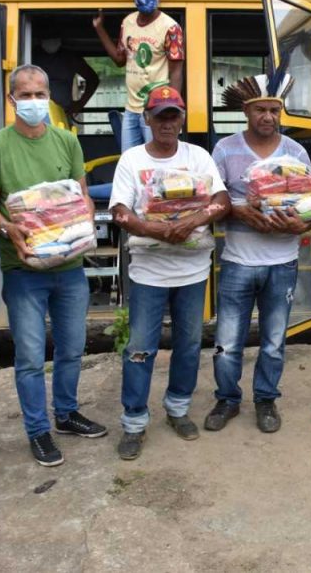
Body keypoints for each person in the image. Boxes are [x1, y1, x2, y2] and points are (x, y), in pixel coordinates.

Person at [0, 64, 106, 468]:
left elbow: (81, 195)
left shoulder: (67, 142)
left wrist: (84, 224)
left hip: (68, 267)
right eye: (25, 95)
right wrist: (9, 228)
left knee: (70, 348)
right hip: (23, 269)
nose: (33, 102)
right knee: (31, 357)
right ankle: (38, 431)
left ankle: (65, 414)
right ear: (12, 99)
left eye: (40, 94)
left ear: (49, 96)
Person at [108, 85, 229, 460]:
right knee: (140, 348)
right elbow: (120, 211)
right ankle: (134, 422)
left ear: (181, 119)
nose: (167, 123)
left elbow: (221, 200)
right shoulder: (131, 160)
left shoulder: (198, 157)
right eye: (159, 115)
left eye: (173, 115)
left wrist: (193, 219)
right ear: (146, 118)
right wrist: (155, 230)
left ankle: (178, 409)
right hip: (148, 273)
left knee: (189, 346)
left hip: (192, 270)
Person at [204, 73, 311, 434]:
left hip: (282, 261)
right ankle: (227, 399)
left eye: (273, 110)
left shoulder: (296, 152)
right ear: (246, 112)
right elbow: (211, 201)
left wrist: (302, 226)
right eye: (260, 110)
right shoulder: (224, 150)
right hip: (238, 259)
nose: (267, 117)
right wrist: (239, 210)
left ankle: (266, 399)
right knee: (227, 340)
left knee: (273, 340)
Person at [92, 0, 185, 152]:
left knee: (156, 159)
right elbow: (120, 60)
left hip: (156, 108)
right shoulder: (128, 22)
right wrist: (99, 29)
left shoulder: (170, 28)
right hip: (131, 109)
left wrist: (170, 111)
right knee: (129, 160)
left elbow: (176, 72)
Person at [31, 32, 100, 128]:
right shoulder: (30, 55)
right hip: (36, 115)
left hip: (62, 115)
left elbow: (93, 79)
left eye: (53, 36)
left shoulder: (69, 57)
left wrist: (80, 104)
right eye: (48, 36)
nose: (51, 40)